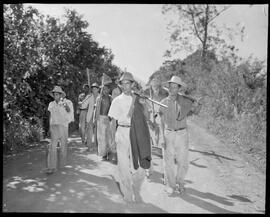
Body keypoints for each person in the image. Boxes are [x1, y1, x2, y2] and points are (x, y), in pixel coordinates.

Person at [108, 72, 151, 203]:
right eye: (123, 83)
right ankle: (127, 194)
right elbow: (113, 122)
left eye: (128, 83)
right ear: (120, 85)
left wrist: (144, 104)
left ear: (132, 84)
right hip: (121, 132)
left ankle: (134, 185)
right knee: (123, 166)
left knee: (140, 167)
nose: (125, 86)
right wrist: (112, 141)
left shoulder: (138, 99)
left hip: (136, 132)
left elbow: (147, 118)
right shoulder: (117, 100)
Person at [159, 75, 201, 194]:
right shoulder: (163, 102)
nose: (172, 89)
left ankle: (180, 181)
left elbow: (195, 112)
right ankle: (171, 185)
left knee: (183, 161)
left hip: (182, 134)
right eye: (171, 87)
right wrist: (162, 137)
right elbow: (161, 122)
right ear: (168, 88)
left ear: (179, 89)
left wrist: (198, 105)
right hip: (169, 133)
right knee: (168, 162)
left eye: (175, 87)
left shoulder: (185, 102)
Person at [144, 76, 168, 178]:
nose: (155, 86)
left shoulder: (165, 93)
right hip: (150, 121)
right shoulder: (146, 93)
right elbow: (144, 108)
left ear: (159, 85)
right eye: (153, 84)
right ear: (151, 84)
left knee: (164, 146)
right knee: (147, 147)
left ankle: (166, 174)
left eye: (157, 84)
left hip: (162, 121)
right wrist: (148, 120)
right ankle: (149, 170)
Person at [47, 86, 74, 174]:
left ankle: (62, 164)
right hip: (54, 126)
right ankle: (52, 167)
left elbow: (69, 111)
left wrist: (64, 104)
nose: (55, 96)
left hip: (63, 126)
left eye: (57, 94)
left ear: (61, 95)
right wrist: (49, 127)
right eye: (54, 94)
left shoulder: (67, 102)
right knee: (52, 147)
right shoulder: (51, 104)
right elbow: (50, 116)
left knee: (63, 147)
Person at [95, 75, 113, 160]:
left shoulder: (110, 98)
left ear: (109, 90)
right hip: (100, 119)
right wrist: (96, 120)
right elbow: (96, 110)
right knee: (101, 137)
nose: (105, 90)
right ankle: (103, 154)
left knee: (108, 137)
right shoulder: (99, 98)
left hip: (108, 119)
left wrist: (111, 118)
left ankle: (108, 151)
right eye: (103, 89)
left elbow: (112, 109)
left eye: (106, 89)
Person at [85, 83, 100, 152]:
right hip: (90, 115)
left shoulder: (100, 97)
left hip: (98, 116)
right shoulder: (89, 96)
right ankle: (89, 146)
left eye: (95, 89)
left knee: (97, 131)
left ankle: (96, 147)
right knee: (89, 132)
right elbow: (84, 105)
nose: (94, 90)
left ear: (98, 89)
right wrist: (81, 104)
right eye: (93, 89)